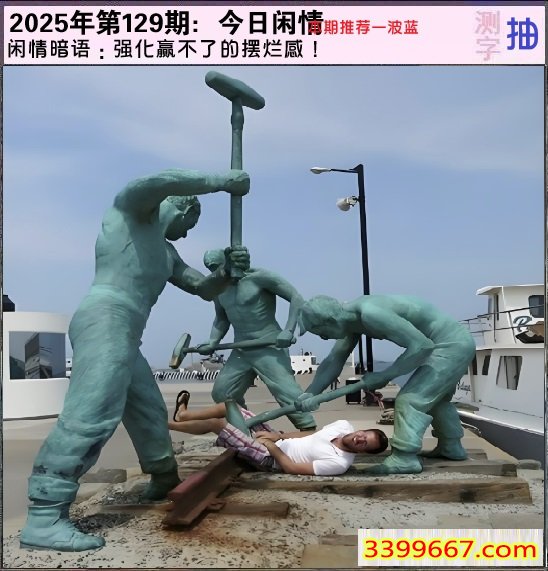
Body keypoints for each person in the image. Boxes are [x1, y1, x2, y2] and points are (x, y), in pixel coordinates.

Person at [20, 168, 250, 552]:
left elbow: (203, 288)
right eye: (190, 225)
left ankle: (163, 478)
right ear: (181, 207)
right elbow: (158, 182)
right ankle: (44, 517)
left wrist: (227, 271)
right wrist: (223, 182)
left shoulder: (168, 254)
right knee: (92, 414)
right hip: (105, 318)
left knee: (147, 410)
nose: (187, 234)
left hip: (128, 332)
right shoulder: (130, 213)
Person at [296, 294, 476, 475]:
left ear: (330, 320)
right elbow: (333, 361)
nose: (323, 338)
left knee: (410, 400)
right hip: (452, 342)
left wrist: (385, 375)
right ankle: (451, 446)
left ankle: (405, 458)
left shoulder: (371, 313)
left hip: (452, 344)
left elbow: (422, 346)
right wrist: (311, 393)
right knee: (435, 399)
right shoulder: (350, 322)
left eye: (321, 333)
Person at [196, 249, 317, 431]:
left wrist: (288, 330)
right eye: (211, 269)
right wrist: (213, 340)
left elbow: (296, 298)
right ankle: (248, 429)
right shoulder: (219, 288)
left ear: (228, 261)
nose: (216, 272)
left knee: (289, 395)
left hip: (268, 346)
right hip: (241, 350)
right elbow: (221, 318)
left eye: (218, 266)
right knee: (222, 393)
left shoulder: (260, 277)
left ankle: (309, 432)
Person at [169, 398, 388, 476]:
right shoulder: (343, 425)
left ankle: (167, 426)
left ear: (362, 452)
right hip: (278, 441)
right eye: (364, 435)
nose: (360, 438)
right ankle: (184, 415)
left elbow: (291, 468)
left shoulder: (339, 463)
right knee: (232, 408)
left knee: (218, 424)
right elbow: (312, 434)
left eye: (364, 444)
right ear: (362, 430)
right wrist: (275, 436)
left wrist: (271, 447)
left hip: (270, 459)